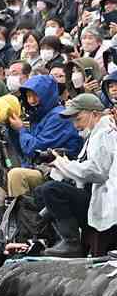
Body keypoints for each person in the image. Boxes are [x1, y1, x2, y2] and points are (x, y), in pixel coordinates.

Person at [36, 94, 117, 257]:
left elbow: (98, 172)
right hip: (91, 194)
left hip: (103, 199)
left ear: (94, 114)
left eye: (78, 119)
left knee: (51, 190)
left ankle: (71, 242)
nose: (76, 125)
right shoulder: (94, 134)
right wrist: (61, 165)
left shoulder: (105, 133)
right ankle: (52, 238)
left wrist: (62, 164)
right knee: (41, 191)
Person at [6, 74, 83, 198]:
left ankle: (25, 215)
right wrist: (12, 130)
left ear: (46, 95)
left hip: (59, 173)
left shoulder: (59, 116)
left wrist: (21, 129)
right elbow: (23, 153)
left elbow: (34, 149)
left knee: (16, 175)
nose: (31, 100)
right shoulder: (37, 116)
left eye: (35, 95)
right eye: (28, 96)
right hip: (41, 169)